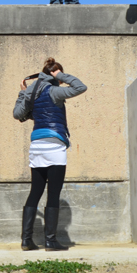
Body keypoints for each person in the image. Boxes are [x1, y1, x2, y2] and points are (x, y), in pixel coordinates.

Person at [13, 57, 87, 251]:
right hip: (54, 146)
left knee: (35, 192)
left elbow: (17, 114)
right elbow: (80, 87)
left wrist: (22, 94)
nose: (61, 81)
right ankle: (50, 241)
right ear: (54, 75)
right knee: (53, 193)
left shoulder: (31, 91)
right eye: (59, 77)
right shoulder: (54, 91)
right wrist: (60, 75)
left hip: (36, 146)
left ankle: (26, 240)